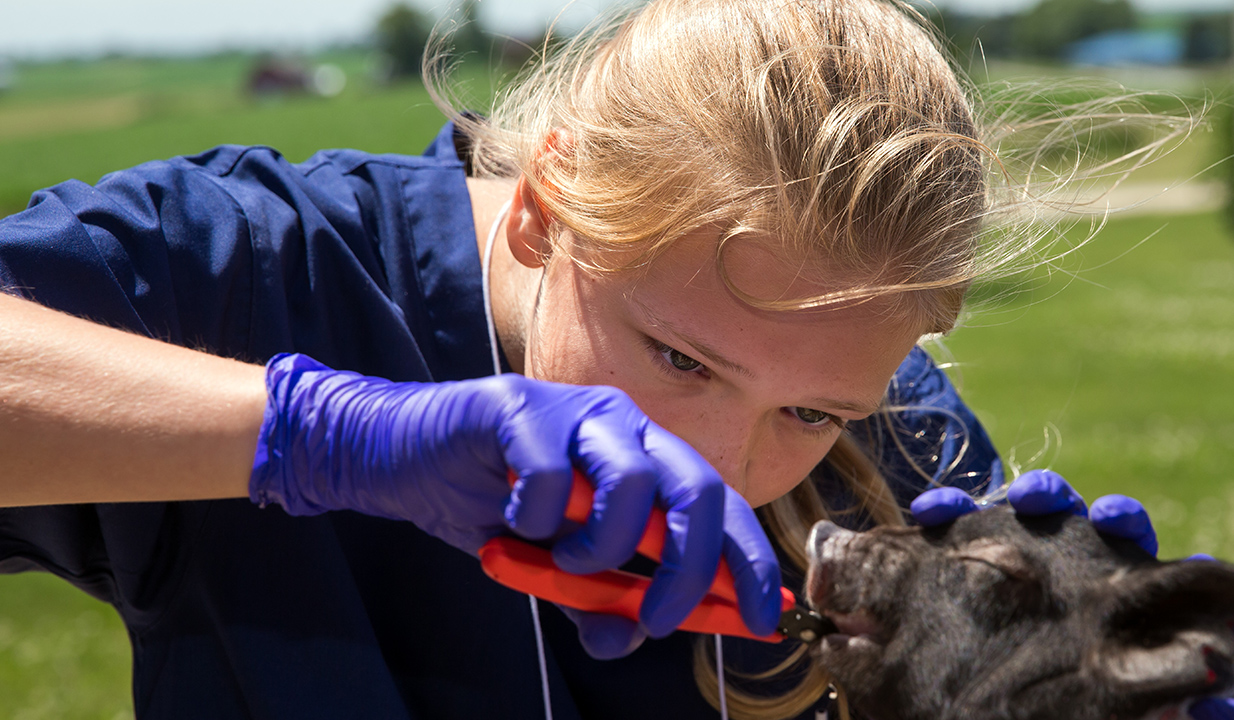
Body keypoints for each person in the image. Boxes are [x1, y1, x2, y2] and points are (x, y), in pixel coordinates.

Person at [0, 0, 1224, 718]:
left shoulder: (893, 437)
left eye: (806, 409)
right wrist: (323, 436)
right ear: (542, 213)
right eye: (682, 360)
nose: (724, 466)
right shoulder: (258, 268)